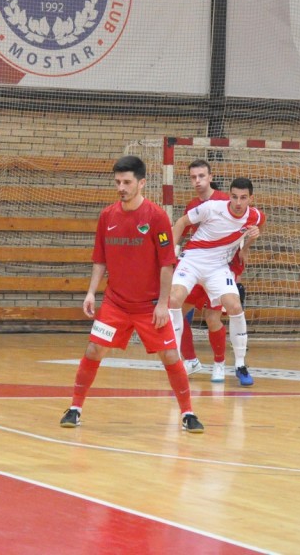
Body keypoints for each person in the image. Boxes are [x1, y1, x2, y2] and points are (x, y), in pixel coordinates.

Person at [60, 155, 204, 433]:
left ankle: (188, 413)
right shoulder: (107, 216)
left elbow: (166, 264)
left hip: (149, 306)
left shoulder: (156, 217)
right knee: (93, 349)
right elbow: (100, 260)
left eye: (127, 182)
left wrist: (163, 304)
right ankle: (75, 408)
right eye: (117, 182)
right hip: (115, 302)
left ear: (141, 183)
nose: (121, 188)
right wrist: (91, 293)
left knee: (171, 356)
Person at [171, 177, 264, 387]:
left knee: (235, 306)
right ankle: (176, 361)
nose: (238, 202)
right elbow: (181, 222)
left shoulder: (256, 216)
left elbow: (256, 229)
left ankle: (239, 364)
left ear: (251, 198)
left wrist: (248, 245)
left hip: (218, 268)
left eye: (243, 198)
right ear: (229, 195)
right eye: (234, 197)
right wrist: (169, 255)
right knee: (174, 300)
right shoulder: (211, 207)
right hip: (193, 260)